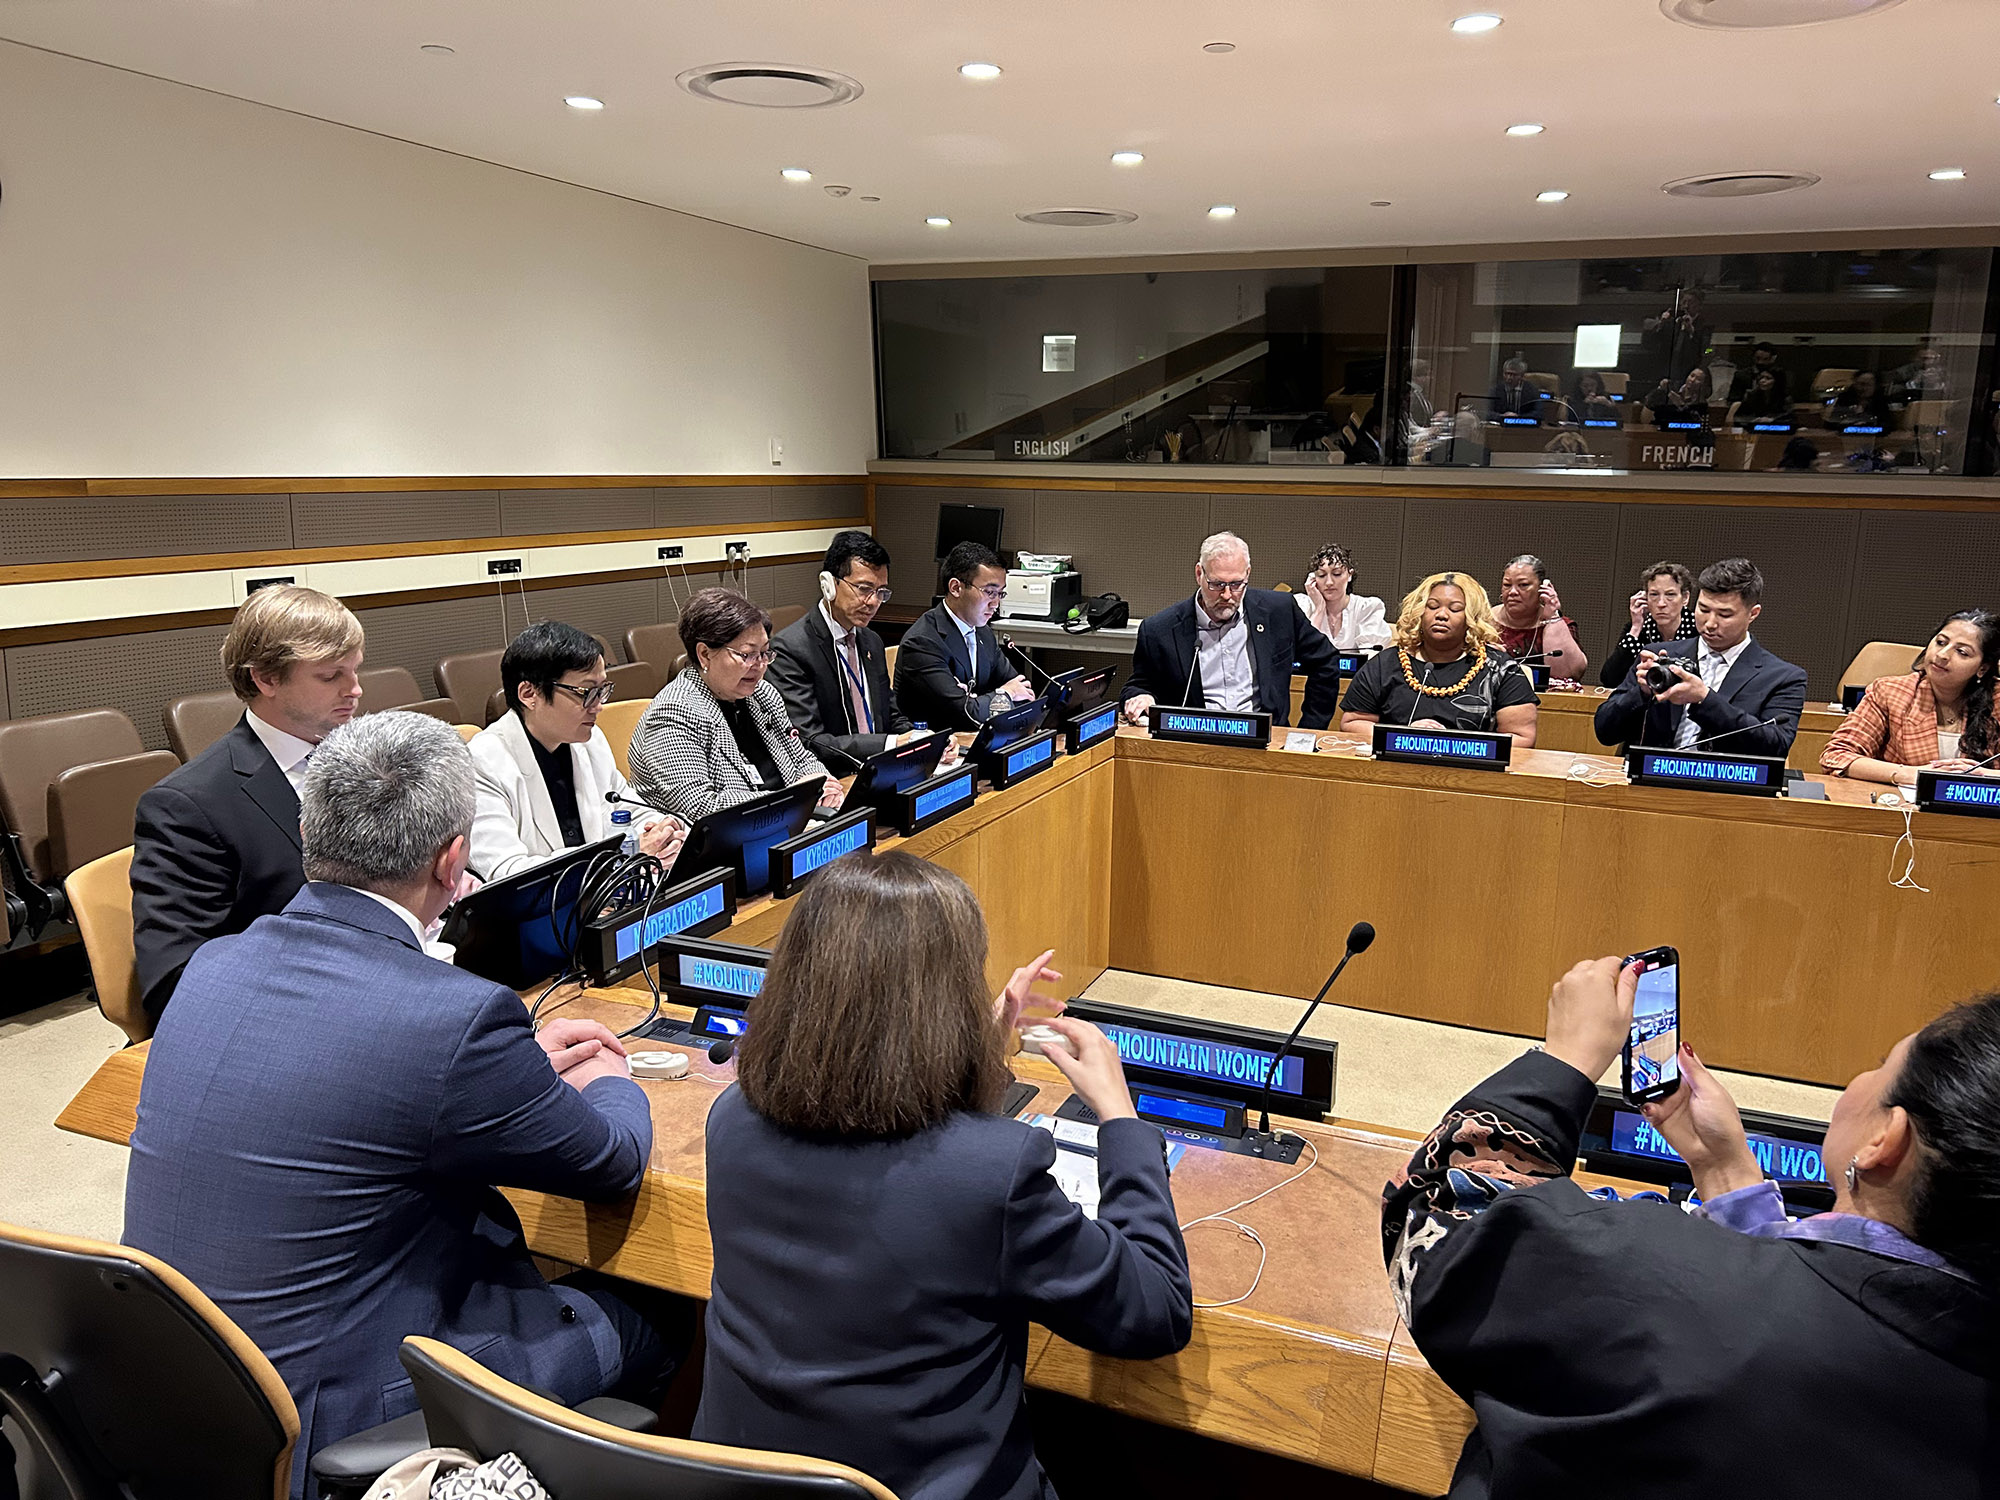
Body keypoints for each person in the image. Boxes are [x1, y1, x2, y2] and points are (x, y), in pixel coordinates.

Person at [123, 714, 688, 1497]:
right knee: (663, 1308)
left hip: (183, 1402)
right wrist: (610, 1074)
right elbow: (611, 1161)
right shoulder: (453, 1017)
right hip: (344, 1419)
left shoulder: (215, 964)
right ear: (454, 860)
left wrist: (514, 1071)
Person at [1383, 953, 2000, 1497]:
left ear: (1883, 1141)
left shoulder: (1661, 1286)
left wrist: (1565, 1061)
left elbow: (1443, 1221)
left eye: (1880, 1066)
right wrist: (1725, 1170)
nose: (1860, 1081)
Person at [695, 849, 1192, 1500]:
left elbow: (879, 1118)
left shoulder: (729, 1119)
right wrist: (1121, 1120)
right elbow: (1154, 1310)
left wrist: (977, 1055)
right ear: (946, 1001)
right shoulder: (994, 1173)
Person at [130, 584, 363, 1021]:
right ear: (266, 678)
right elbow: (175, 978)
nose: (355, 690)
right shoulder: (185, 807)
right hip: (290, 1011)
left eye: (355, 670)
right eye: (332, 676)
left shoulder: (363, 756)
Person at [468, 621, 686, 880]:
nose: (598, 706)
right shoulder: (481, 764)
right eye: (586, 692)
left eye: (601, 691)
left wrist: (661, 831)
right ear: (529, 694)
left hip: (604, 899)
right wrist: (627, 854)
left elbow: (630, 810)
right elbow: (508, 873)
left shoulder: (589, 741)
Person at [628, 588, 839, 823]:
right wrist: (792, 799)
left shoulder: (763, 694)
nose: (760, 665)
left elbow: (800, 758)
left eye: (765, 653)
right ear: (705, 654)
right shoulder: (675, 712)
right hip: (714, 848)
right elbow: (701, 806)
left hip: (785, 824)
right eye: (747, 655)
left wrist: (820, 782)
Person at [1120, 531, 1343, 729]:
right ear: (1199, 574)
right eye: (1216, 584)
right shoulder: (1160, 630)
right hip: (1194, 743)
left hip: (1266, 741)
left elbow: (1325, 661)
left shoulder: (1279, 611)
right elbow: (1139, 685)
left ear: (1248, 574)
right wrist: (1141, 697)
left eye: (1236, 585)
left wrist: (1308, 729)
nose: (1227, 595)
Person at [1593, 557, 1807, 759]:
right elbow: (1604, 732)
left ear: (1753, 614)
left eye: (1724, 614)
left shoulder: (1783, 677)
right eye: (1703, 609)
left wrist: (1704, 699)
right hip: (1652, 781)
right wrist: (1640, 693)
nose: (1710, 623)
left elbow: (1776, 747)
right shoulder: (1657, 655)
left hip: (1726, 790)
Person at [768, 531, 924, 769]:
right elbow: (808, 741)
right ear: (829, 584)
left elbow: (890, 716)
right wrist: (889, 744)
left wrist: (922, 740)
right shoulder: (790, 650)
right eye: (863, 589)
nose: (873, 602)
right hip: (833, 778)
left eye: (881, 592)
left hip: (882, 769)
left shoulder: (871, 641)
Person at [1340, 572, 1539, 745]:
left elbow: (1521, 737)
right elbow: (1352, 723)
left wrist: (1449, 745)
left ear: (1472, 617)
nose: (1441, 615)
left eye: (1454, 609)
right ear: (1419, 612)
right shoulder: (1386, 664)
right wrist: (1403, 736)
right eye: (1432, 606)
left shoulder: (1500, 670)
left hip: (1470, 775)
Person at [1821, 611, 2000, 787]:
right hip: (1903, 810)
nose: (1942, 655)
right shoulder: (1890, 692)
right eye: (1940, 642)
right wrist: (1911, 774)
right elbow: (1836, 756)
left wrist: (1986, 775)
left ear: (1982, 668)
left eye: (1962, 652)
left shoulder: (1997, 699)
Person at [893, 541, 1035, 731]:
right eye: (990, 592)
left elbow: (1023, 693)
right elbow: (965, 713)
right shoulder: (923, 642)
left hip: (975, 739)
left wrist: (984, 700)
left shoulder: (983, 632)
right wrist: (1004, 694)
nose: (996, 604)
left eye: (1001, 594)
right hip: (938, 749)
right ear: (956, 588)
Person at [1598, 561, 1698, 689]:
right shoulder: (1640, 629)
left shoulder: (1698, 629)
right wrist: (1635, 628)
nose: (1661, 603)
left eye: (1670, 595)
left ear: (1685, 598)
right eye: (1654, 595)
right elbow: (1610, 679)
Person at [1492, 554, 1589, 681]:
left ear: (1541, 588)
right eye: (1507, 585)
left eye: (1523, 585)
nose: (1512, 592)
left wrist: (1552, 617)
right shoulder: (1484, 622)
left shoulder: (1560, 625)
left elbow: (1567, 675)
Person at [1297, 542, 1392, 651]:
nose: (1329, 582)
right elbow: (1301, 652)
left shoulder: (1366, 608)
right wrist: (1319, 609)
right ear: (1313, 578)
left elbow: (1372, 658)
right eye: (1322, 575)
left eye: (1336, 574)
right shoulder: (1302, 606)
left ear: (1349, 575)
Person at [1727, 340, 1791, 408]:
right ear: (1753, 357)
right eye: (1757, 358)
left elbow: (1785, 398)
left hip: (1772, 414)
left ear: (1772, 359)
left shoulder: (1778, 375)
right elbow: (1732, 401)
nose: (1760, 362)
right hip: (1747, 414)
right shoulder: (1741, 375)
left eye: (1765, 359)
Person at [1726, 368, 1791, 428]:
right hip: (1755, 428)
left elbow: (1788, 419)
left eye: (1768, 378)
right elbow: (1742, 416)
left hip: (1776, 428)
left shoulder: (1785, 398)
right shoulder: (1751, 395)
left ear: (1777, 381)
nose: (1762, 381)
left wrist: (1772, 420)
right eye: (1761, 377)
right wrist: (1753, 420)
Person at [1826, 370, 1891, 429]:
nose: (1863, 388)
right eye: (1860, 384)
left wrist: (1867, 423)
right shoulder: (1844, 398)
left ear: (1875, 386)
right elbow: (1831, 423)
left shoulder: (1880, 401)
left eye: (1868, 385)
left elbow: (1887, 424)